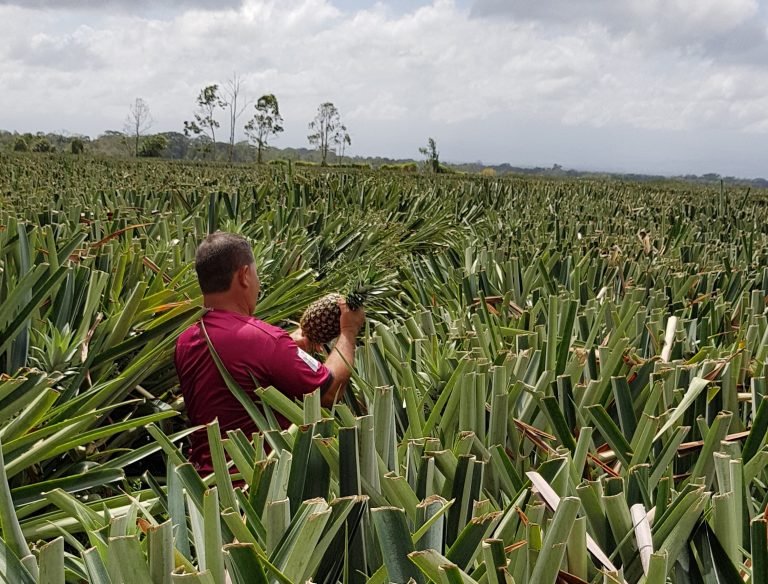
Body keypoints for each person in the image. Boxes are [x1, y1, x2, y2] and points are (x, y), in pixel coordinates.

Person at [174, 232, 365, 474]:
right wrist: (348, 331)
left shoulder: (185, 340)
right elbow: (330, 391)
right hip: (257, 488)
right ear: (244, 276)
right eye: (255, 274)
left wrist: (289, 349)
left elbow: (235, 371)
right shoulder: (263, 340)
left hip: (204, 485)